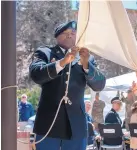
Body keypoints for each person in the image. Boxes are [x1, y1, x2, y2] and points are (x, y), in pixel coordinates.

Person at [29, 21, 106, 150]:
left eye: (73, 33)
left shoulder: (87, 58)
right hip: (49, 125)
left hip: (76, 126)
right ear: (57, 37)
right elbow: (36, 74)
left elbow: (100, 85)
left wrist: (87, 65)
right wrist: (62, 62)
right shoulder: (45, 52)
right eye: (66, 33)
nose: (70, 36)